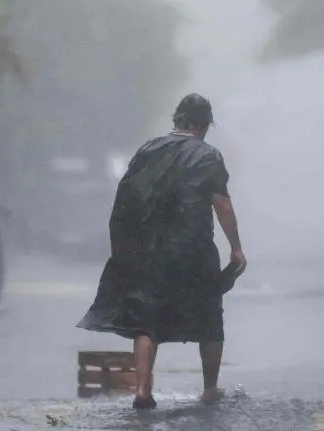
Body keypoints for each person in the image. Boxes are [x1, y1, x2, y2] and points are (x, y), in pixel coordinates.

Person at [76, 93, 247, 409]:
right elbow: (221, 203)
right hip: (194, 251)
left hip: (149, 252)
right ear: (204, 124)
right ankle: (210, 389)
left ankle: (142, 390)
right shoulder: (209, 156)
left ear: (177, 120)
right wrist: (236, 248)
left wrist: (124, 249)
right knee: (210, 316)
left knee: (146, 321)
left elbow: (125, 200)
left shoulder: (147, 150)